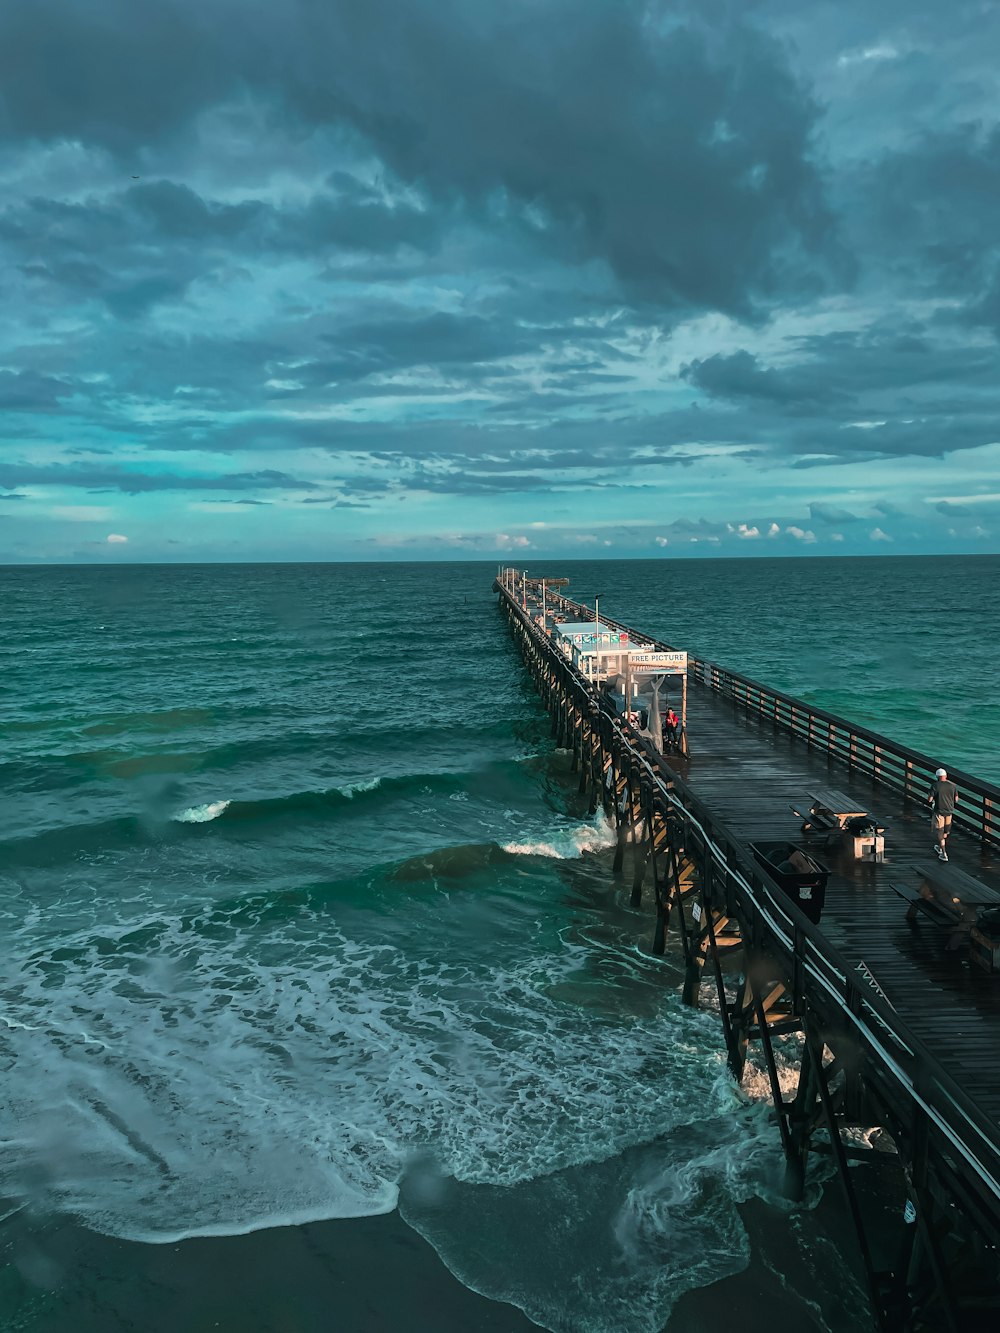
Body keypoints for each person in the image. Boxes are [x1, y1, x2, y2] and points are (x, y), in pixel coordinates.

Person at [927, 767, 958, 862]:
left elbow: (930, 799)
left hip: (939, 812)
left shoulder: (935, 785)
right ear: (945, 776)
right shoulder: (953, 785)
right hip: (949, 811)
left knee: (940, 831)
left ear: (937, 776)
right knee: (945, 832)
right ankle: (940, 847)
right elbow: (956, 799)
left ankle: (943, 853)